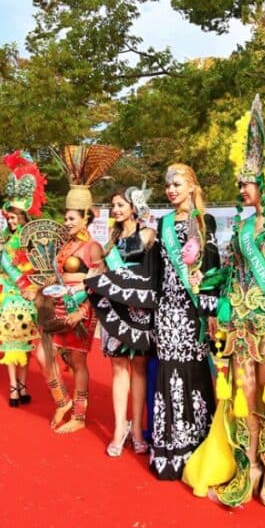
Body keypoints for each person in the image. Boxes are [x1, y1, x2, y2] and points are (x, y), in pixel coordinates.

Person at [199, 98, 265, 507]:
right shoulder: (239, 226)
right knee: (246, 391)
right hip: (239, 321)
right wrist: (218, 313)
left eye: (247, 182)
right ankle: (249, 467)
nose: (241, 188)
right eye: (240, 183)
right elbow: (226, 273)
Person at [34, 145, 119, 434]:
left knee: (78, 360)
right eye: (66, 218)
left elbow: (99, 283)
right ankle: (62, 401)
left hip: (81, 310)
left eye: (72, 218)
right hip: (59, 307)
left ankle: (80, 417)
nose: (66, 222)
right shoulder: (66, 245)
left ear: (86, 218)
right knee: (43, 355)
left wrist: (82, 310)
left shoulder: (92, 247)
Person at [149, 163, 220, 480]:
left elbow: (215, 266)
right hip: (167, 312)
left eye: (177, 184)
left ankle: (198, 447)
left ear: (191, 186)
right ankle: (169, 450)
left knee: (194, 371)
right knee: (169, 373)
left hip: (194, 312)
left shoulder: (205, 222)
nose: (171, 190)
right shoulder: (161, 224)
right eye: (168, 185)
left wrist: (211, 308)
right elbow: (152, 271)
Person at [96, 187, 156, 457]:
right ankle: (120, 428)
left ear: (134, 206)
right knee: (119, 369)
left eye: (121, 204)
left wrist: (145, 216)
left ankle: (136, 430)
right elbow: (105, 270)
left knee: (139, 368)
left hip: (140, 310)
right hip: (114, 309)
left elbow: (132, 255)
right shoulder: (111, 240)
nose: (116, 209)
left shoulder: (147, 233)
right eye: (113, 205)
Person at [0, 151, 48, 407]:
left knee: (24, 344)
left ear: (23, 217)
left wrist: (32, 285)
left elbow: (40, 268)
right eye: (8, 217)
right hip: (8, 296)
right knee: (11, 343)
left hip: (26, 295)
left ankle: (22, 387)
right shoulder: (2, 239)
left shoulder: (32, 238)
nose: (9, 221)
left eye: (13, 217)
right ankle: (13, 389)